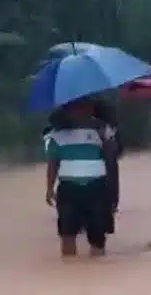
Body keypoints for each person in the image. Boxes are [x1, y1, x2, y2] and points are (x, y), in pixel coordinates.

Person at [45, 98, 116, 257]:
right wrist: (49, 189)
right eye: (76, 107)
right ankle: (70, 272)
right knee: (67, 234)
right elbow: (52, 164)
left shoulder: (102, 128)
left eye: (86, 105)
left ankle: (98, 271)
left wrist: (105, 139)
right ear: (68, 109)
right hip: (69, 188)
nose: (82, 110)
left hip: (96, 187)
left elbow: (111, 158)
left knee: (97, 235)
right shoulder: (57, 134)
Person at [91, 99, 123, 234]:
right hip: (104, 190)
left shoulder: (106, 133)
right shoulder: (110, 133)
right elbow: (119, 151)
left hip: (99, 187)